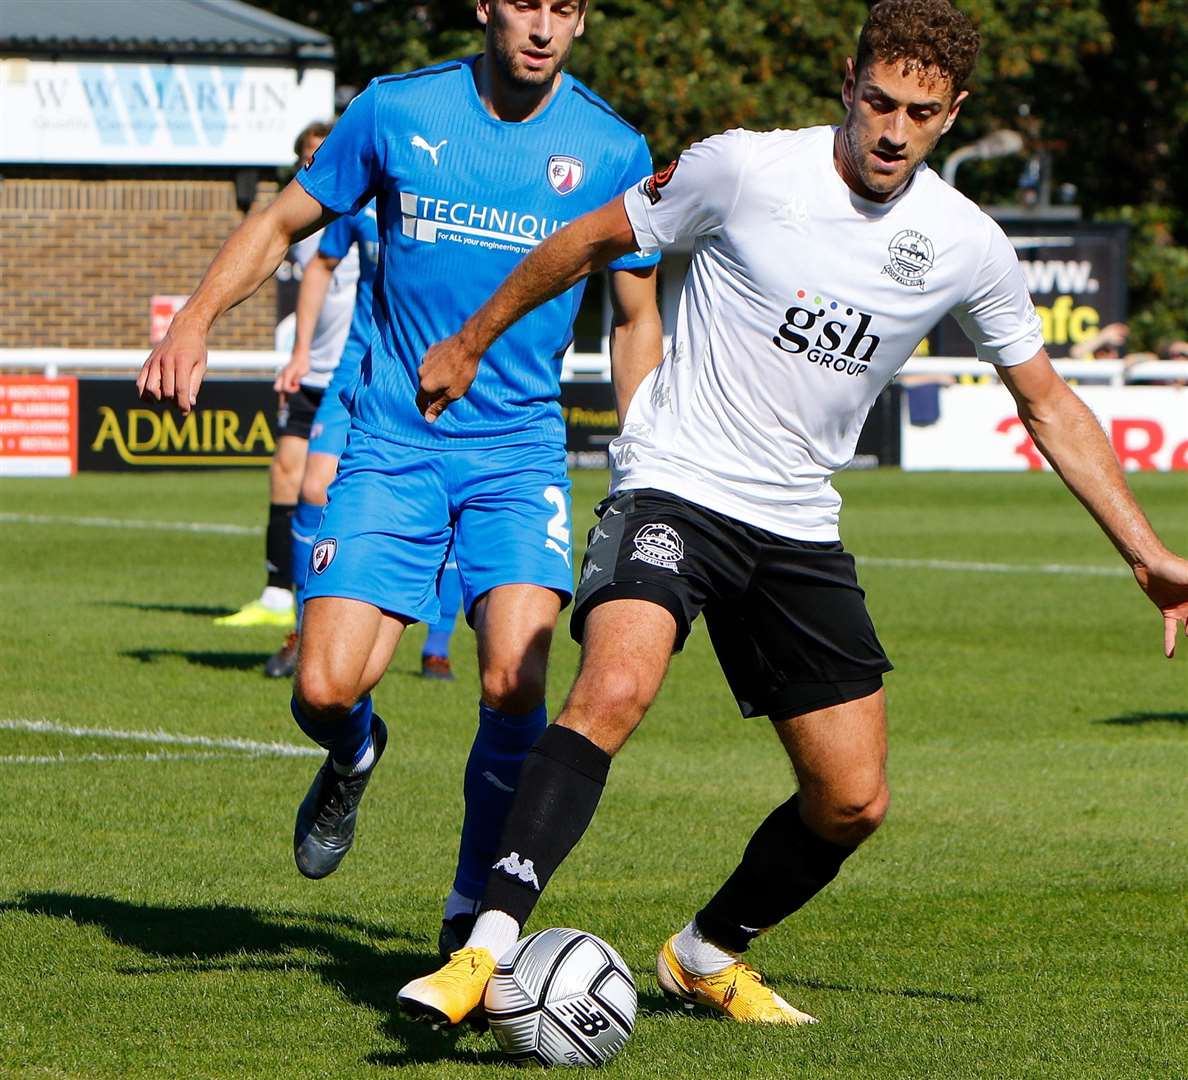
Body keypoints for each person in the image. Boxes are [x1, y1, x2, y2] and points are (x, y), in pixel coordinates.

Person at [396, 0, 1188, 1027]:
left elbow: (1046, 400)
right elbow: (588, 240)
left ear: (954, 114)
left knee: (853, 800)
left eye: (921, 111)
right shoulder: (744, 167)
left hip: (798, 522)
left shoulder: (967, 242)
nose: (893, 130)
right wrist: (470, 340)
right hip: (676, 477)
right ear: (846, 82)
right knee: (616, 687)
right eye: (878, 101)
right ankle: (485, 947)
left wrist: (1146, 553)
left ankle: (705, 953)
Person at [137, 0, 662, 955]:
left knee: (514, 677)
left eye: (564, 8)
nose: (542, 27)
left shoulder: (613, 148)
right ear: (486, 8)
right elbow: (284, 220)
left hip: (518, 453)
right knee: (325, 688)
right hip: (392, 443)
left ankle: (470, 915)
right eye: (525, 4)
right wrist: (196, 318)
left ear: (580, 20)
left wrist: (649, 455)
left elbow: (634, 317)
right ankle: (354, 750)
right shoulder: (393, 109)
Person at [265, 199, 463, 680]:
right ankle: (303, 631)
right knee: (314, 488)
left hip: (435, 368)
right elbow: (321, 265)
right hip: (358, 365)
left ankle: (437, 647)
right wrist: (300, 352)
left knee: (451, 499)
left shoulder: (451, 197)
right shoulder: (363, 198)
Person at [215, 121, 359, 631]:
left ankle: (327, 602)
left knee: (323, 486)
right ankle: (280, 591)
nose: (315, 163)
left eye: (324, 153)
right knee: (287, 474)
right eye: (308, 156)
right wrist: (296, 351)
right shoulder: (299, 227)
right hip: (311, 366)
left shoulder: (364, 204)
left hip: (354, 374)